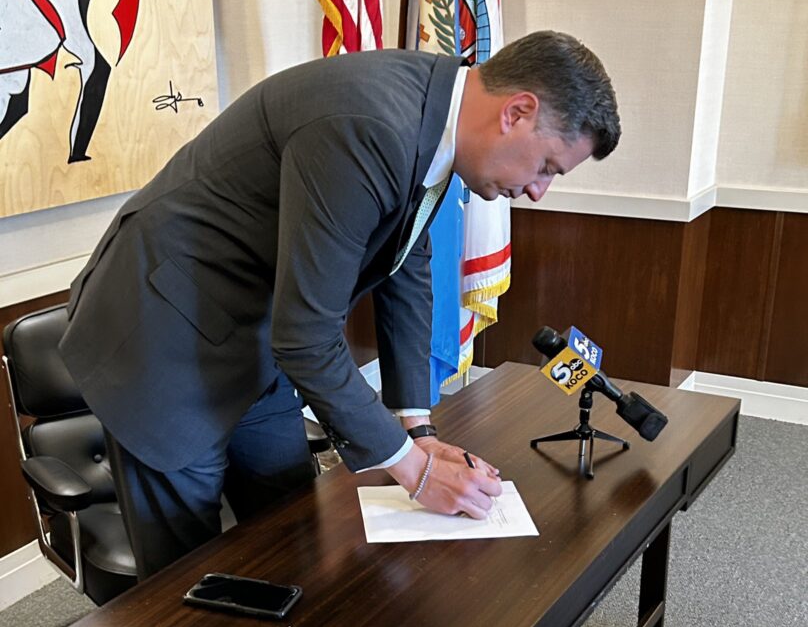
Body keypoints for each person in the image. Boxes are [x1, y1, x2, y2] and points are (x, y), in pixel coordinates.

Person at [59, 30, 620, 580]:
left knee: (289, 532)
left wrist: (417, 427)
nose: (539, 190)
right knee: (192, 584)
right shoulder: (371, 125)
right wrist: (415, 471)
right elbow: (306, 336)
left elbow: (406, 266)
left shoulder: (436, 113)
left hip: (252, 331)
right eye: (547, 166)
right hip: (161, 335)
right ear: (517, 112)